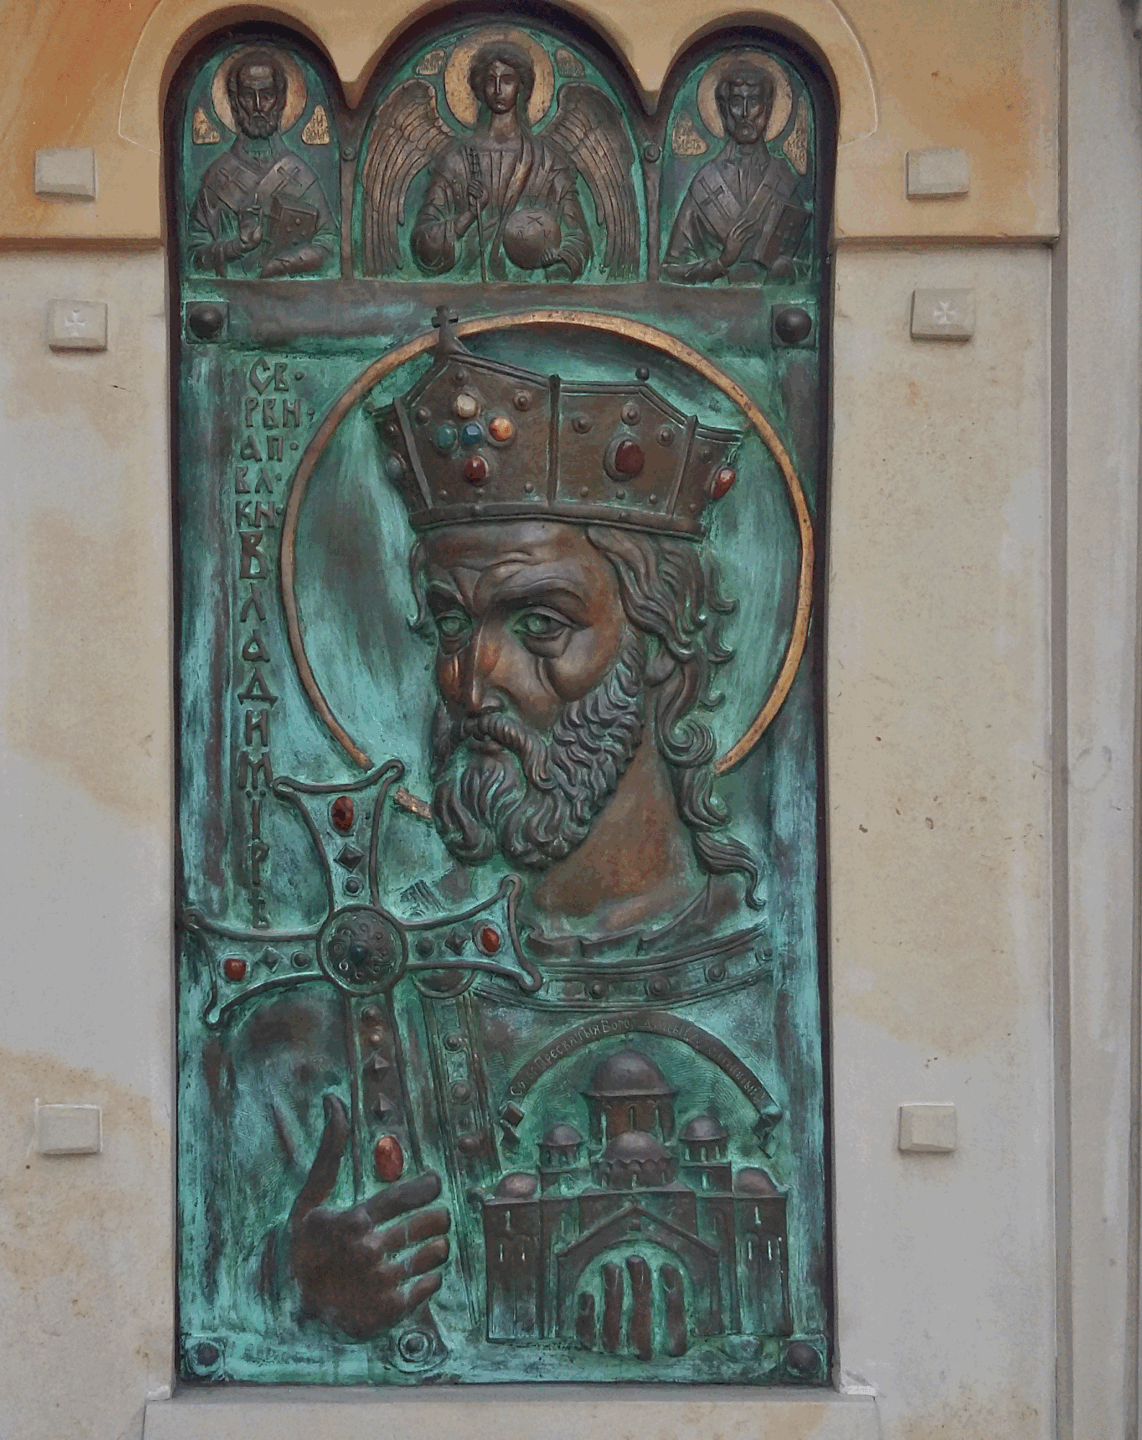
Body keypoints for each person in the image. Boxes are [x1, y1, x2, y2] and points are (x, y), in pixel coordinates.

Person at [273, 326, 769, 1341]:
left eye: (540, 625)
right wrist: (307, 1288)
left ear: (662, 650)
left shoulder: (772, 970)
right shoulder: (373, 971)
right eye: (452, 625)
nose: (472, 681)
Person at [411, 43, 592, 280]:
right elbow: (422, 245)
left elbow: (578, 238)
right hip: (464, 296)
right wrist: (469, 216)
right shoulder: (456, 160)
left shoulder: (548, 161)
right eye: (490, 81)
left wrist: (557, 259)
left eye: (507, 80)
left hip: (533, 295)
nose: (498, 90)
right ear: (480, 87)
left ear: (521, 87)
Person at [187, 47, 334, 279]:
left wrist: (282, 264)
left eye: (267, 95)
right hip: (228, 296)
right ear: (234, 102)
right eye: (248, 96)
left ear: (281, 100)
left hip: (294, 298)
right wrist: (236, 246)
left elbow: (329, 243)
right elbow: (194, 255)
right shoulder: (216, 177)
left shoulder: (300, 174)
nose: (257, 106)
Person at [661, 61, 812, 285]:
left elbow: (809, 265)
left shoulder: (783, 178)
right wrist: (721, 262)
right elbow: (671, 270)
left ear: (768, 108)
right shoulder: (706, 181)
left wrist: (786, 269)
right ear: (723, 110)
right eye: (736, 102)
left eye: (754, 102)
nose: (745, 113)